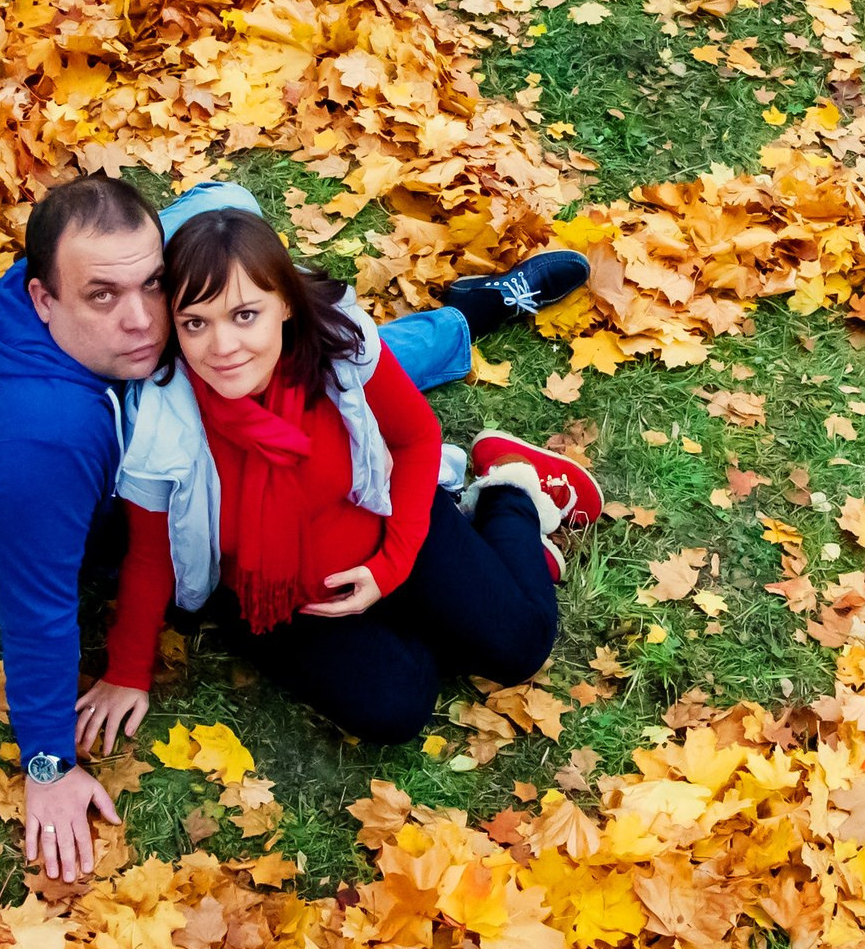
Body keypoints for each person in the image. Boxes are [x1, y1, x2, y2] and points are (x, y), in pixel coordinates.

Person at [0, 172, 590, 880]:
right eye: (103, 296)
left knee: (327, 339)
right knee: (401, 690)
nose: (142, 322)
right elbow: (47, 604)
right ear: (43, 296)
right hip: (265, 571)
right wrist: (50, 761)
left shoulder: (288, 330)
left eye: (154, 285)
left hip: (360, 502)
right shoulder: (59, 440)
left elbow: (232, 219)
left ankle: (482, 357)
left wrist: (397, 562)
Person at [71, 206, 606, 758]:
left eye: (245, 315)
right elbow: (150, 554)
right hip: (277, 600)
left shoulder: (337, 350)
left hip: (388, 530)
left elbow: (416, 438)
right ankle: (455, 599)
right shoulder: (164, 421)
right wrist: (127, 671)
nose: (223, 347)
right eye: (195, 323)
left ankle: (509, 494)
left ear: (282, 302)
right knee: (397, 708)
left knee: (520, 647)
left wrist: (392, 565)